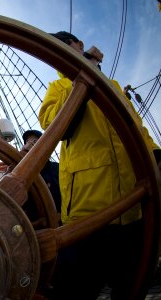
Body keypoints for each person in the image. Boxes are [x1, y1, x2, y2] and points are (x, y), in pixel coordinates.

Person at [39, 31, 161, 299]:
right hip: (86, 213)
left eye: (61, 45)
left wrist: (155, 156)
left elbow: (137, 128)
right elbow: (55, 128)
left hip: (132, 209)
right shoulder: (59, 88)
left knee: (130, 287)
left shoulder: (114, 86)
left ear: (79, 45)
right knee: (76, 290)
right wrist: (83, 76)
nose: (56, 52)